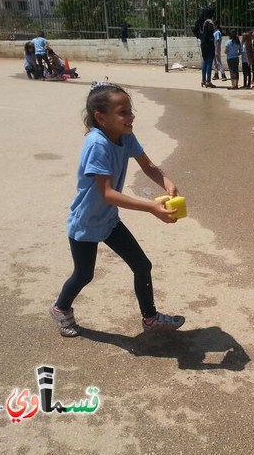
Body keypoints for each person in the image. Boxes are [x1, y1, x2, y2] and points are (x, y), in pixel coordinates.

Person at [50, 81, 186, 337]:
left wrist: (166, 180)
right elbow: (107, 193)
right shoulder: (97, 144)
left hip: (108, 220)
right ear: (101, 118)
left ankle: (150, 318)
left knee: (142, 265)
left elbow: (148, 166)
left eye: (130, 110)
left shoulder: (125, 135)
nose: (131, 116)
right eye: (123, 112)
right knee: (84, 274)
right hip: (87, 222)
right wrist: (151, 207)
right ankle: (60, 308)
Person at [198, 8, 217, 88]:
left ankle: (203, 80)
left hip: (203, 44)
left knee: (205, 62)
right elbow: (210, 33)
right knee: (209, 62)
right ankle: (208, 81)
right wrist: (212, 38)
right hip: (209, 45)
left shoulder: (203, 22)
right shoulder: (209, 22)